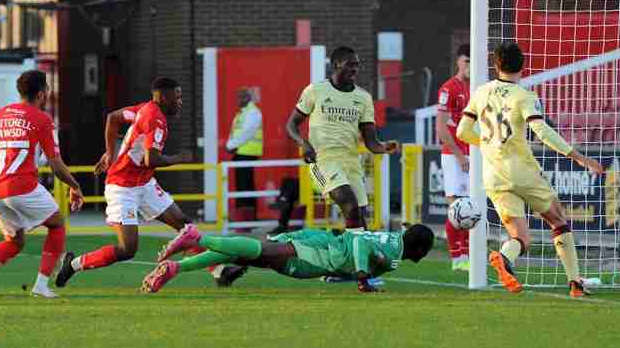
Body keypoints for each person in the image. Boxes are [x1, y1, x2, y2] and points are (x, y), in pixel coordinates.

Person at [55, 77, 245, 288]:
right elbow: (151, 159)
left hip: (143, 184)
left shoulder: (144, 108)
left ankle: (219, 271)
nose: (180, 101)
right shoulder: (156, 119)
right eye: (177, 96)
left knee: (185, 226)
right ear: (164, 97)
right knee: (127, 249)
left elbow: (113, 118)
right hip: (122, 187)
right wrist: (179, 158)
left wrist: (110, 153)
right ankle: (73, 264)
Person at [457, 42, 604, 297]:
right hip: (522, 171)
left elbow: (462, 132)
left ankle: (504, 256)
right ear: (523, 65)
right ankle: (575, 283)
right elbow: (541, 130)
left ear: (496, 65)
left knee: (521, 238)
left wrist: (488, 143)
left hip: (493, 175)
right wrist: (578, 157)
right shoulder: (524, 96)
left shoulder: (480, 92)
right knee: (557, 220)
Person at [0, 70, 85, 299]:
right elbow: (56, 166)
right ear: (41, 93)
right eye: (47, 89)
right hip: (21, 186)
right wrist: (75, 186)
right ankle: (41, 286)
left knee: (15, 242)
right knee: (57, 224)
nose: (48, 93)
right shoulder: (42, 119)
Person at [285, 46, 398, 232]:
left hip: (351, 163)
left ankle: (353, 256)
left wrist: (385, 147)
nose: (355, 69)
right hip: (322, 161)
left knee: (360, 220)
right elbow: (291, 125)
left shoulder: (363, 98)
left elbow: (371, 143)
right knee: (350, 206)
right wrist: (303, 143)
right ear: (336, 64)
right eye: (350, 65)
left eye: (357, 66)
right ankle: (353, 255)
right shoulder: (315, 90)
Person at [145, 223, 434, 293]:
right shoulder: (395, 254)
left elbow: (360, 239)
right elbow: (360, 244)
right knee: (261, 251)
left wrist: (346, 276)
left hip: (323, 243)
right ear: (419, 251)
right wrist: (361, 276)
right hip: (323, 253)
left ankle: (176, 268)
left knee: (247, 255)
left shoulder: (393, 238)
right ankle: (197, 237)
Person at [436, 44, 473, 272]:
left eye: (473, 61)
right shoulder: (448, 89)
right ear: (458, 62)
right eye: (466, 61)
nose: (470, 66)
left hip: (474, 155)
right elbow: (441, 129)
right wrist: (459, 155)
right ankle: (457, 257)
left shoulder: (479, 88)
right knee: (457, 208)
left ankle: (469, 255)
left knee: (473, 207)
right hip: (454, 155)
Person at [225, 87, 263, 219]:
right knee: (244, 185)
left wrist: (231, 145)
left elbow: (247, 133)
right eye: (238, 97)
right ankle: (245, 217)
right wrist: (230, 145)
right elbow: (234, 131)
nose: (239, 100)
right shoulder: (242, 113)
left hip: (248, 152)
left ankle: (247, 218)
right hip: (241, 152)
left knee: (245, 185)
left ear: (248, 98)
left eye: (242, 97)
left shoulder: (253, 112)